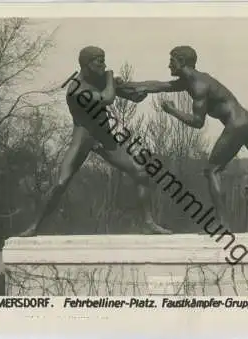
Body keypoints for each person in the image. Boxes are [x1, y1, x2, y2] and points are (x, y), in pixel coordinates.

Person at [119, 45, 248, 233]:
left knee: (212, 171)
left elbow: (197, 122)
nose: (168, 65)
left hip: (237, 125)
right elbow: (159, 85)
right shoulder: (195, 79)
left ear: (181, 62)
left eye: (171, 60)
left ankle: (223, 225)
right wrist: (128, 86)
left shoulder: (198, 86)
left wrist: (172, 111)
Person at [17, 46, 172, 237]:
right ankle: (34, 226)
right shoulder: (76, 89)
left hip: (104, 137)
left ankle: (148, 223)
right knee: (60, 182)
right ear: (86, 64)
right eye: (100, 61)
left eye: (104, 60)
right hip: (83, 137)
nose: (104, 64)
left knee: (140, 171)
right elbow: (107, 98)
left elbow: (133, 89)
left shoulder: (99, 80)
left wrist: (163, 88)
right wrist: (110, 78)